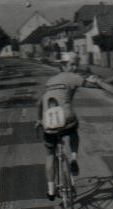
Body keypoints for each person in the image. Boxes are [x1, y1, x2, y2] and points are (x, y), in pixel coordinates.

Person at [37, 61, 100, 201]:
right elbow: (93, 85)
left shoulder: (50, 81)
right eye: (71, 65)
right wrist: (97, 79)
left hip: (48, 123)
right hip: (67, 120)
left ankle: (51, 190)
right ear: (64, 67)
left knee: (49, 156)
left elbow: (40, 103)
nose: (74, 67)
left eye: (74, 65)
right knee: (73, 131)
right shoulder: (72, 76)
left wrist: (39, 120)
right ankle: (73, 158)